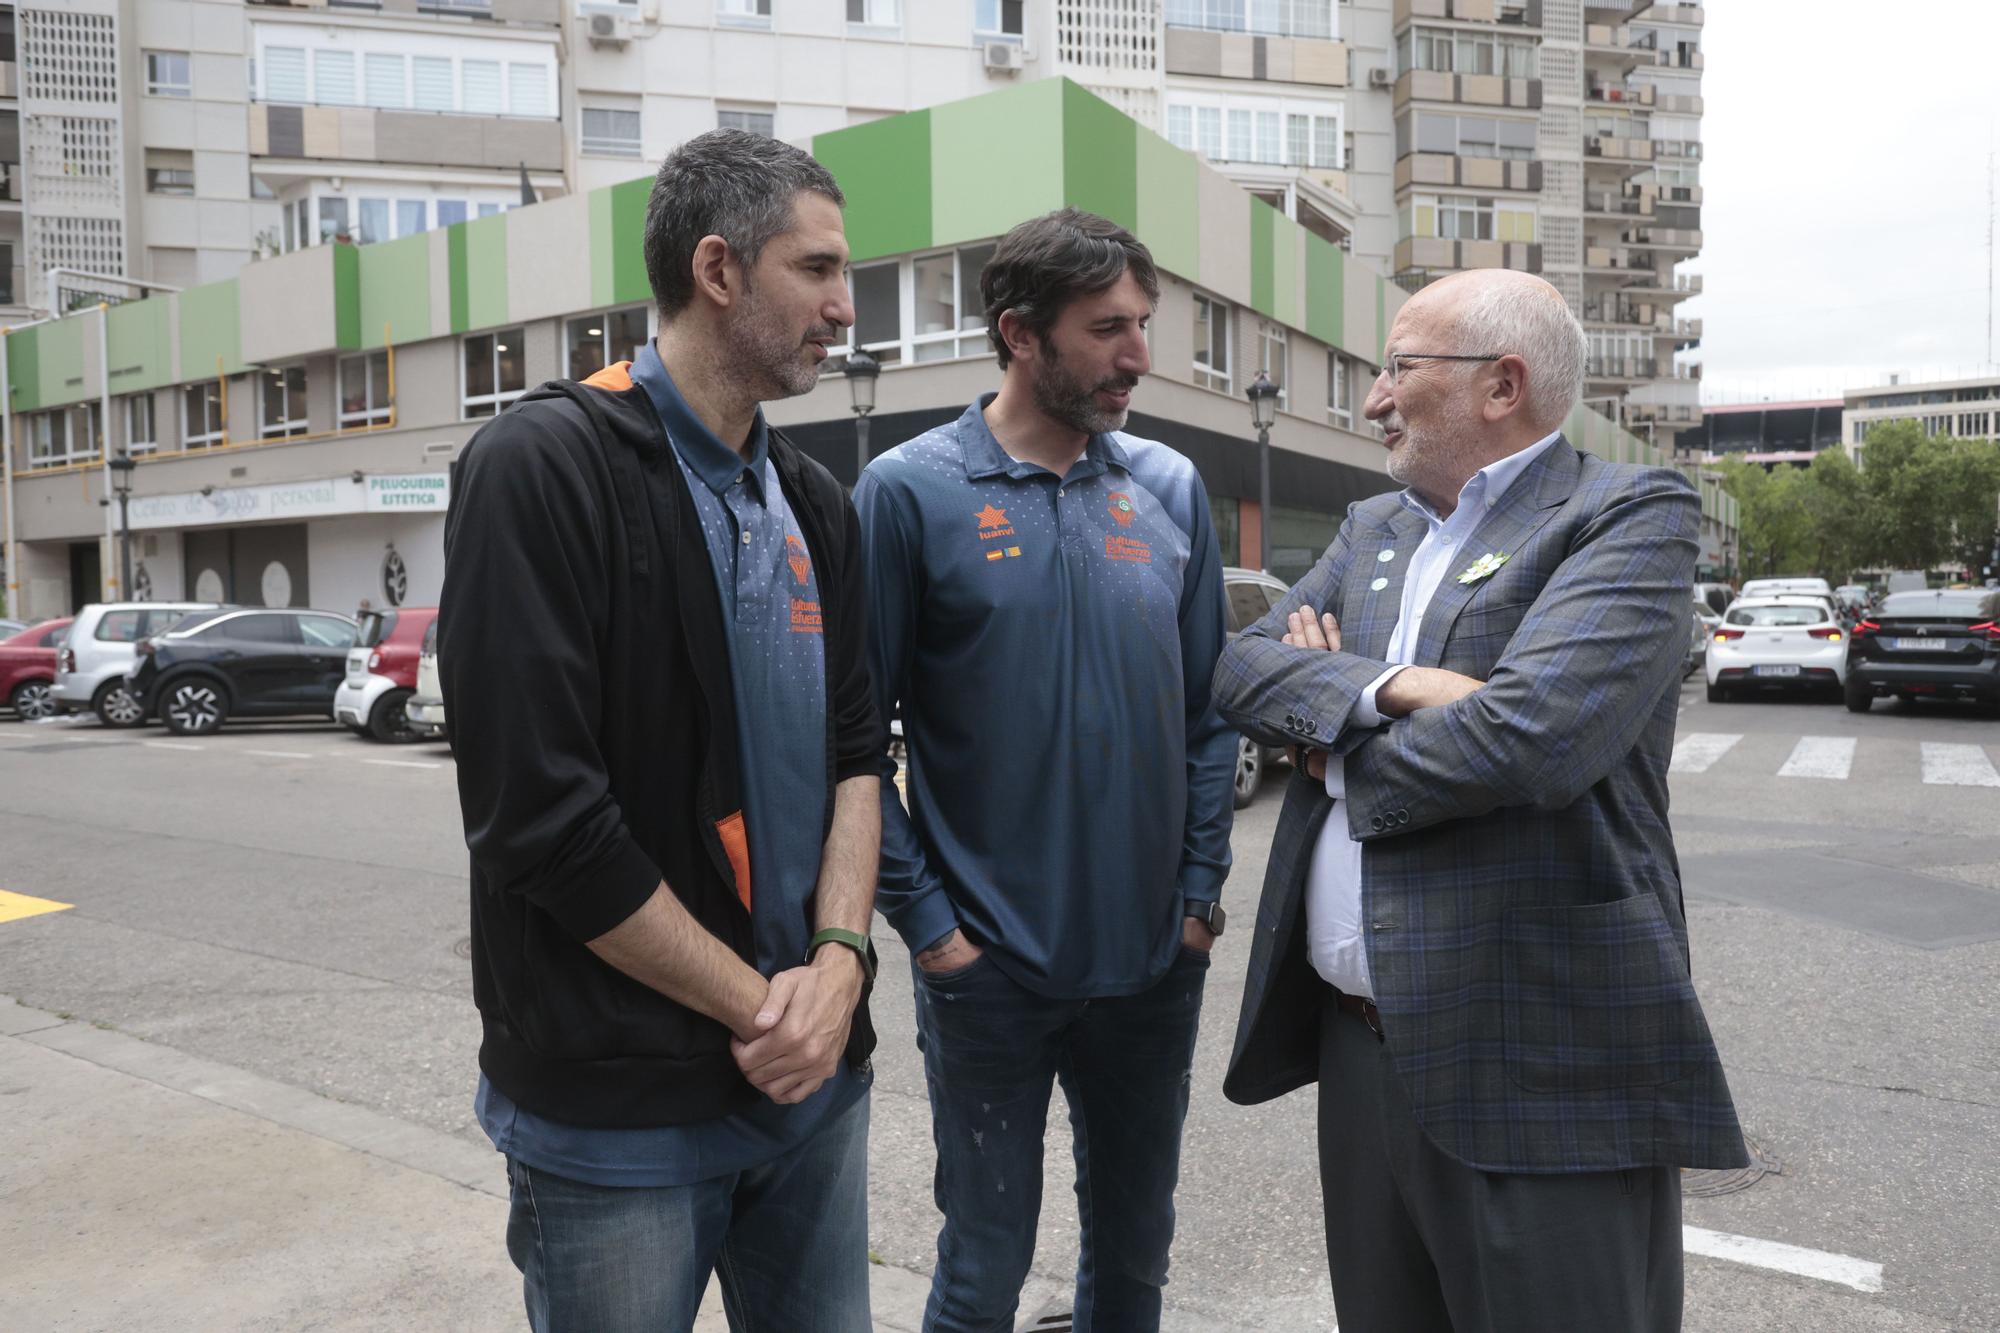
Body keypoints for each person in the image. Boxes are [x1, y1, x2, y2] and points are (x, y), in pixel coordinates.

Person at [1213, 268, 1747, 1333]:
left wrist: (1326, 749)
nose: (1372, 397)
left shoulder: (1627, 515)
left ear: (1499, 386)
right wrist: (1389, 686)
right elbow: (1233, 670)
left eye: (1397, 368)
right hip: (1359, 1047)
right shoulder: (1372, 528)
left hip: (1537, 1051)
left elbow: (1528, 741)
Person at [439, 129, 884, 1333]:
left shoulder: (814, 504)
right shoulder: (542, 467)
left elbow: (859, 750)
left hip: (810, 1092)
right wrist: (764, 1010)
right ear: (718, 269)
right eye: (820, 269)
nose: (847, 308)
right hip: (618, 1121)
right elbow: (541, 819)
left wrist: (838, 969)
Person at [853, 208, 1237, 1333]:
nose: (1138, 356)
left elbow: (1209, 715)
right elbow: (851, 743)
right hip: (988, 974)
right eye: (1106, 328)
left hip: (1150, 966)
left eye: (1143, 325)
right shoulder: (908, 491)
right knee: (982, 1269)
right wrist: (932, 929)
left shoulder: (1166, 489)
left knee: (1131, 1268)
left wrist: (1198, 899)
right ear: (1019, 335)